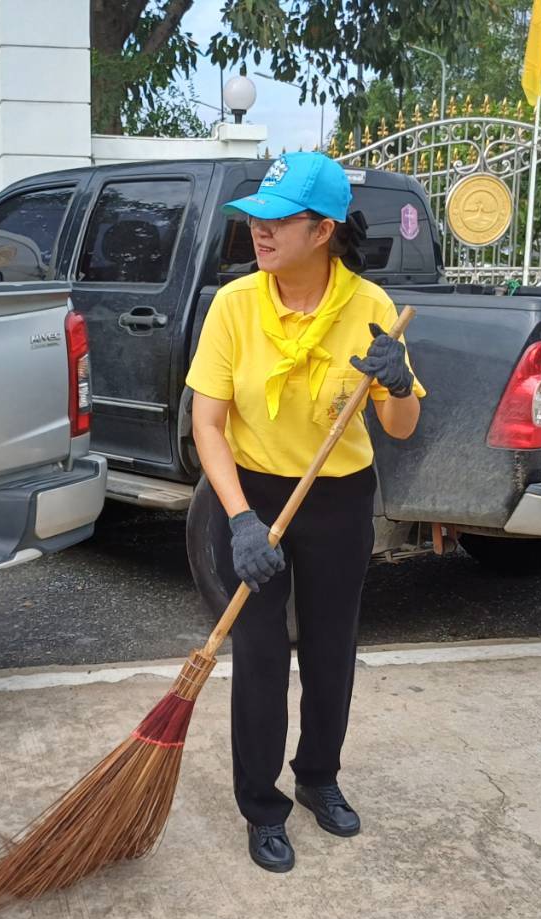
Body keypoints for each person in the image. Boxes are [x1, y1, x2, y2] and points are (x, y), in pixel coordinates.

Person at [184, 152, 425, 874]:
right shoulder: (234, 305)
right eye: (256, 216)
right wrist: (237, 520)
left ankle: (319, 777)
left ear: (321, 231)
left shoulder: (372, 308)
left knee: (329, 649)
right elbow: (208, 425)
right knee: (259, 654)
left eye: (278, 219)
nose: (259, 230)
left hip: (339, 497)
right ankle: (262, 806)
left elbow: (403, 427)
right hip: (251, 495)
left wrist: (400, 381)